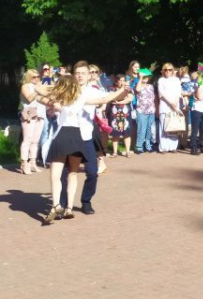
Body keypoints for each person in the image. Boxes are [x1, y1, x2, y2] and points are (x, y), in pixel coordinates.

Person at [35, 73, 124, 223]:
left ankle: (56, 204)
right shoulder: (81, 98)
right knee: (73, 174)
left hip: (61, 136)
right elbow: (104, 99)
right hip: (77, 136)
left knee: (55, 175)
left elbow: (38, 89)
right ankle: (69, 207)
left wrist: (53, 85)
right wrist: (121, 90)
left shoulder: (58, 98)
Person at [19, 69, 46, 174]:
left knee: (36, 140)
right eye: (34, 77)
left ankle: (33, 162)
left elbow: (46, 97)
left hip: (40, 114)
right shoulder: (25, 86)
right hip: (30, 113)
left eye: (38, 76)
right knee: (27, 139)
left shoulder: (40, 86)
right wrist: (37, 90)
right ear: (29, 77)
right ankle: (24, 163)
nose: (36, 79)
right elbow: (29, 98)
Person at [157, 63, 182, 153]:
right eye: (166, 70)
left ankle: (173, 147)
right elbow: (161, 93)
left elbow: (179, 91)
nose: (168, 71)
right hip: (165, 106)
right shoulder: (161, 80)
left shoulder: (176, 80)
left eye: (170, 70)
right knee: (164, 126)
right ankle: (163, 147)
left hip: (175, 105)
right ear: (163, 71)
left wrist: (175, 102)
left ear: (173, 71)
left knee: (174, 126)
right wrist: (170, 102)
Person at [108, 74, 133, 157]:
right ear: (116, 81)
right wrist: (120, 99)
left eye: (123, 80)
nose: (122, 82)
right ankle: (115, 152)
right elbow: (111, 98)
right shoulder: (112, 89)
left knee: (127, 132)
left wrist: (119, 102)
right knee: (115, 132)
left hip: (125, 112)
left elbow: (130, 98)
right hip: (114, 113)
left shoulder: (128, 89)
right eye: (120, 80)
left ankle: (128, 151)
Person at [134, 71, 156, 154]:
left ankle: (148, 146)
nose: (145, 78)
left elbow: (153, 98)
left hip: (151, 110)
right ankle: (139, 147)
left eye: (147, 77)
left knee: (149, 129)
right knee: (141, 129)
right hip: (141, 111)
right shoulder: (138, 86)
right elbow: (137, 89)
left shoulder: (150, 86)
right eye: (144, 77)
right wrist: (140, 78)